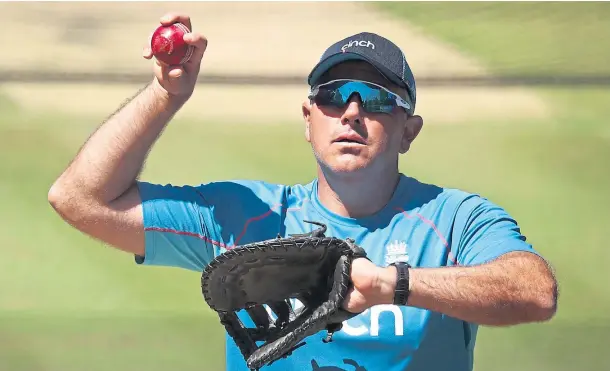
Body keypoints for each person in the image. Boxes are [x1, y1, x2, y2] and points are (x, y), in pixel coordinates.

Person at [48, 13, 558, 371]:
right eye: (333, 97)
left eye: (377, 99)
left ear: (409, 130)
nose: (353, 111)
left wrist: (389, 285)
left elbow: (534, 292)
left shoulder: (454, 219)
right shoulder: (248, 218)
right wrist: (165, 93)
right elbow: (80, 200)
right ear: (308, 119)